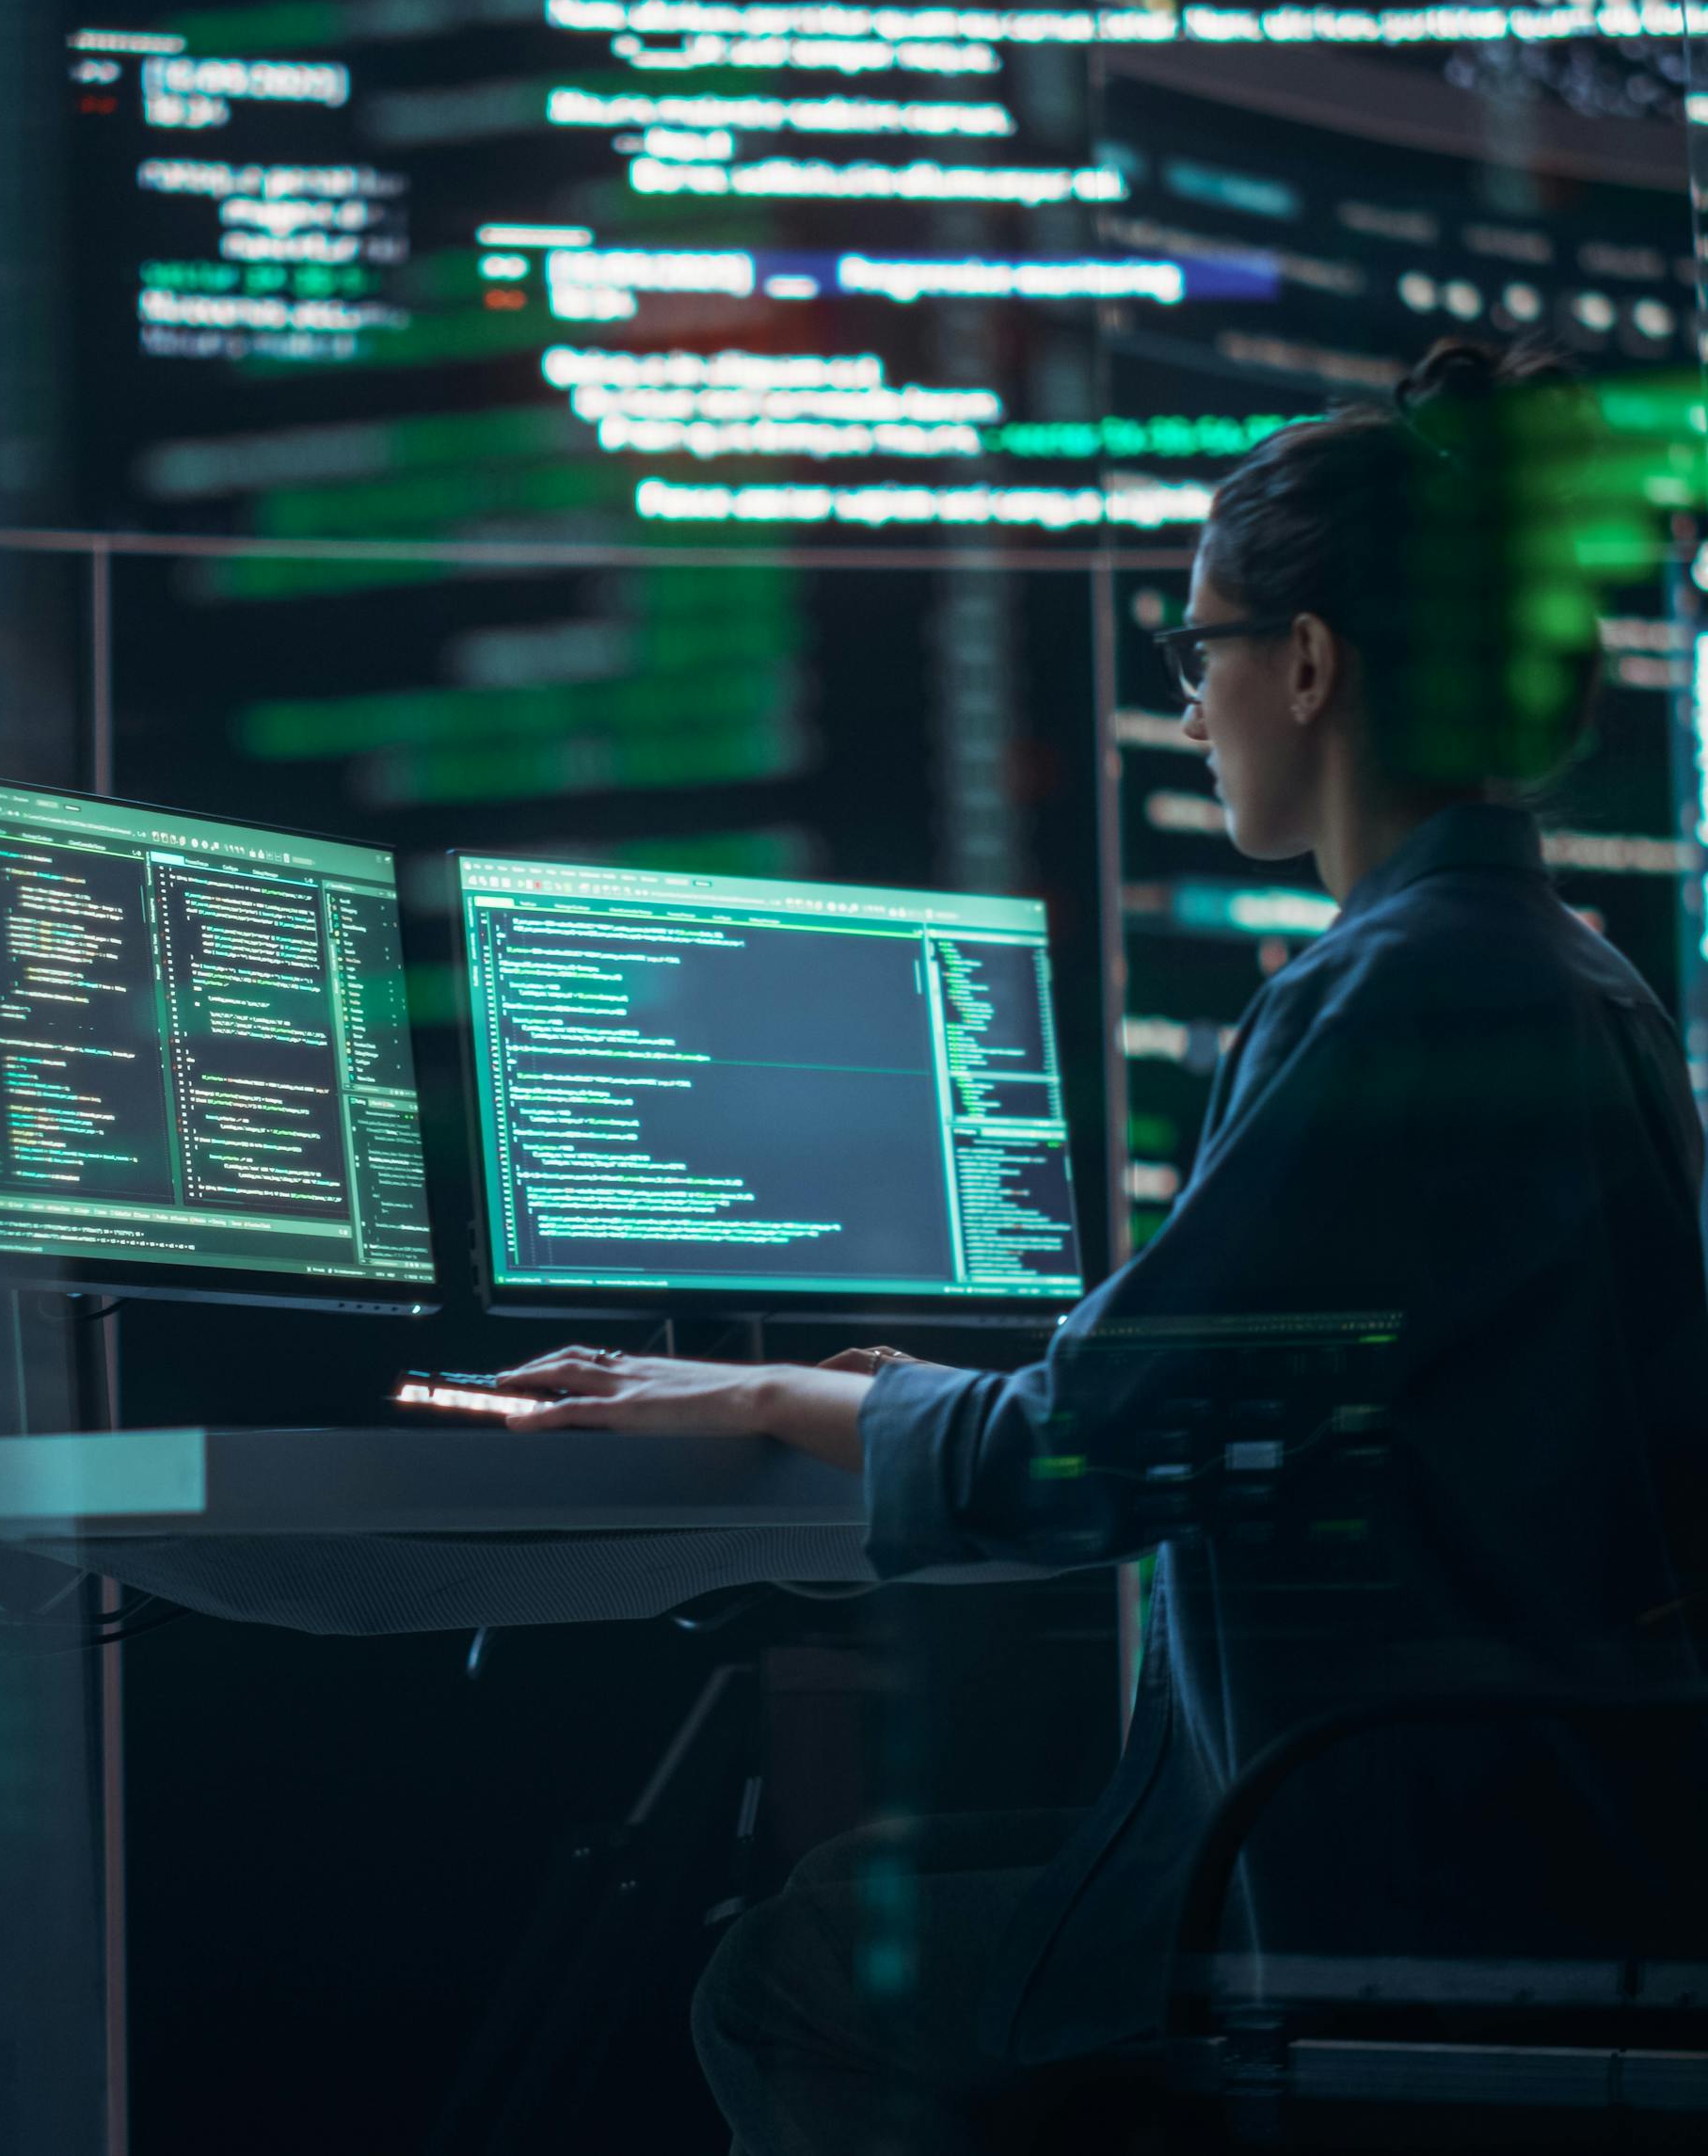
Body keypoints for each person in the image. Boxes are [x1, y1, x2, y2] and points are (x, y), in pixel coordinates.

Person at [490, 340, 1708, 2154]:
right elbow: (1182, 1403)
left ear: (1305, 663)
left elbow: (1081, 1453)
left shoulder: (1398, 993)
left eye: (1197, 652)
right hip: (1545, 1840)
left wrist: (744, 1386)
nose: (1192, 708)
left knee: (790, 1965)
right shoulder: (1569, 974)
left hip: (1390, 1877)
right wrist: (887, 1394)